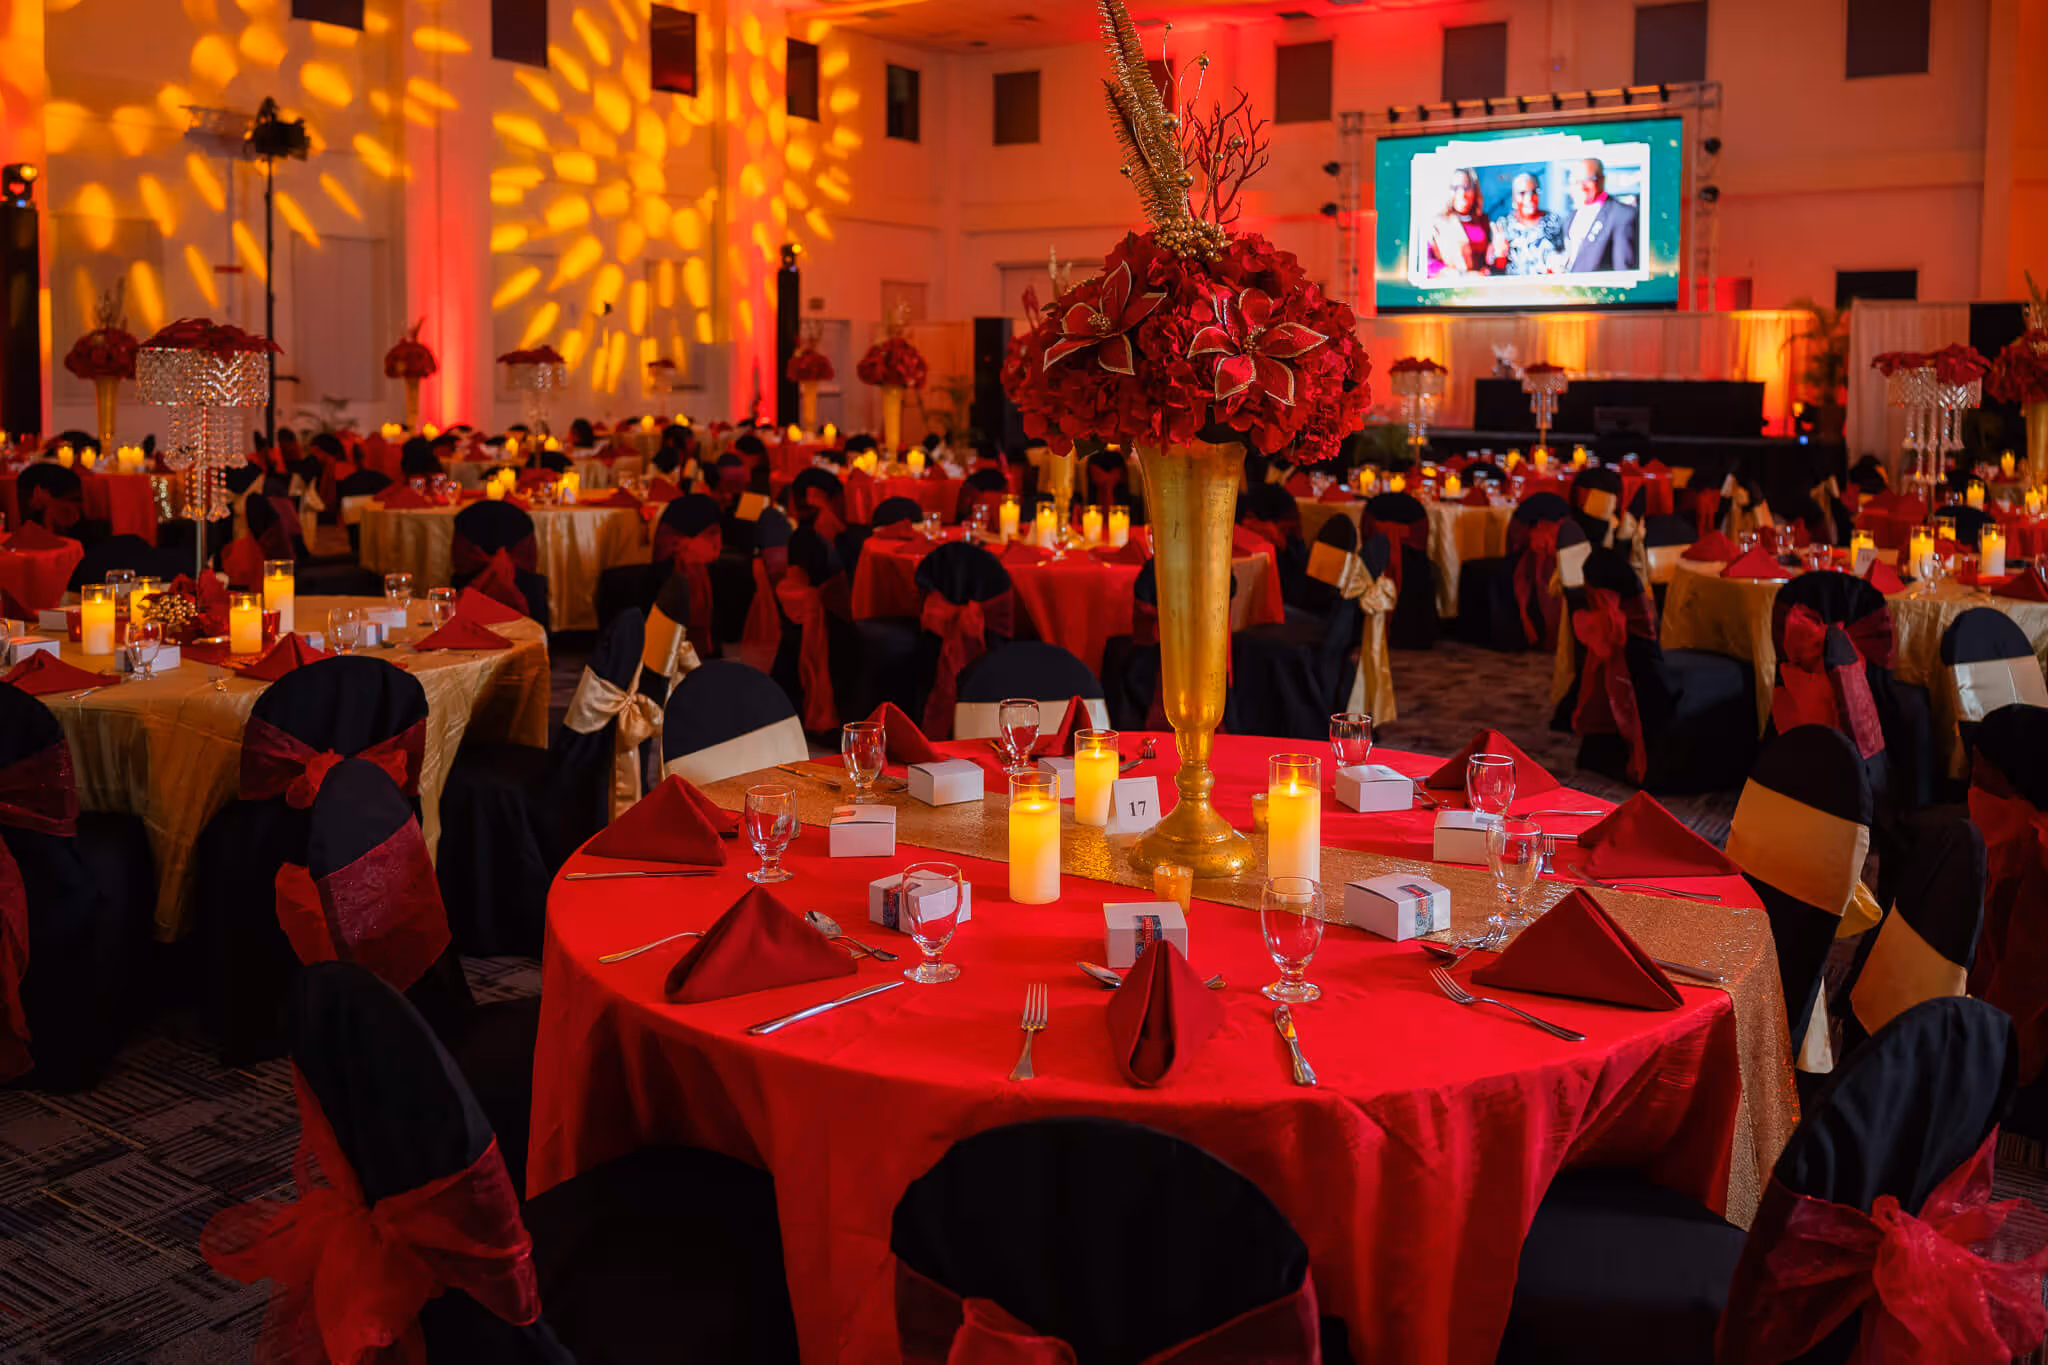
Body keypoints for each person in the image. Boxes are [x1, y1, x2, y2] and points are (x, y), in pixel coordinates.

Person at [1557, 158, 1638, 274]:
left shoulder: (1622, 215)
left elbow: (1623, 274)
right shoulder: (1570, 217)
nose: (1581, 187)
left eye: (1588, 180)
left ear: (1602, 180)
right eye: (1575, 182)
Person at [1491, 173, 1566, 276]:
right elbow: (1496, 270)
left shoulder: (1553, 220)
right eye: (1522, 193)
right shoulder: (1503, 225)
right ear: (1513, 197)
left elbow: (1563, 258)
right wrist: (1500, 254)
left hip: (1548, 288)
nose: (1529, 198)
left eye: (1534, 192)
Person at [1424, 168, 1492, 278]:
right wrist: (1463, 276)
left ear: (1475, 190)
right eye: (1455, 188)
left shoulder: (1483, 220)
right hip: (1451, 287)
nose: (1462, 193)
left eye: (1466, 187)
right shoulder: (1438, 223)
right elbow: (1427, 264)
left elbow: (1488, 260)